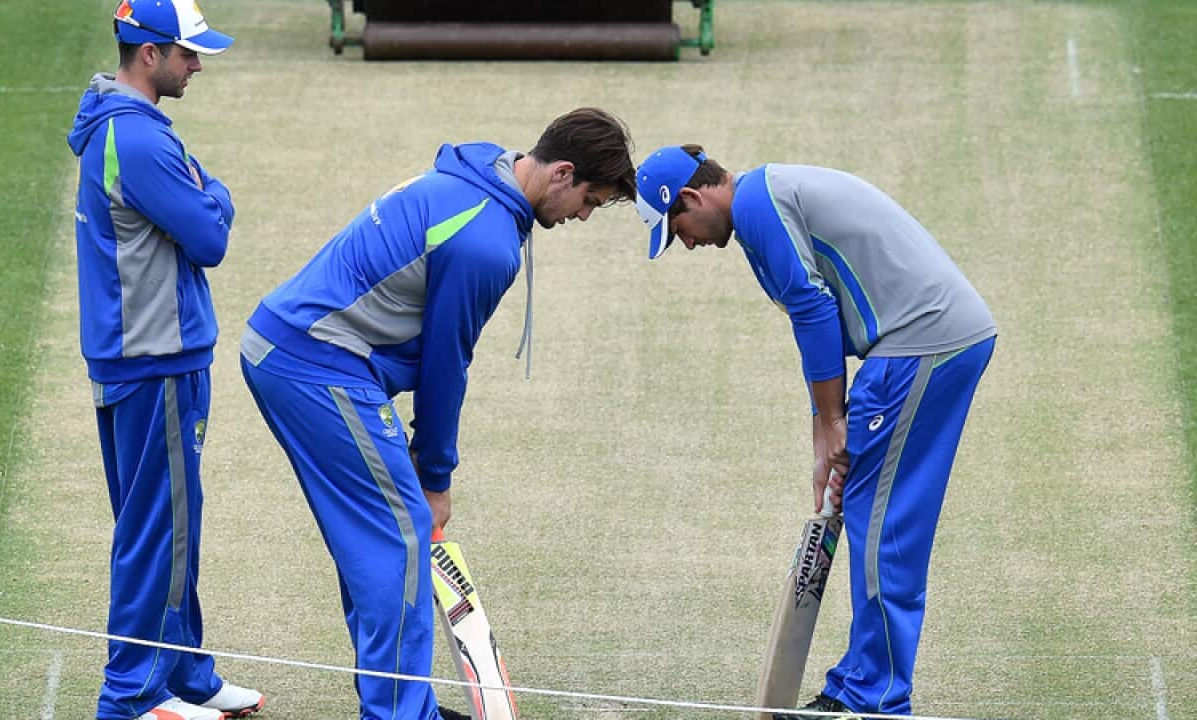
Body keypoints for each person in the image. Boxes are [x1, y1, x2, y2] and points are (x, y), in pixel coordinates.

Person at [240, 108, 636, 720]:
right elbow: (446, 367)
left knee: (378, 540)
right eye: (589, 200)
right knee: (400, 538)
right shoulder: (486, 243)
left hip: (294, 351)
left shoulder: (481, 173)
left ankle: (402, 703)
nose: (582, 216)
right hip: (315, 364)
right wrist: (435, 478)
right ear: (561, 173)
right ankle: (399, 713)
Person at [634, 146, 996, 718]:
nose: (687, 242)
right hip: (926, 341)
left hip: (918, 344)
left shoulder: (757, 206)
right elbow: (818, 312)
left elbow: (812, 306)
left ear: (691, 198)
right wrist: (821, 434)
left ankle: (874, 698)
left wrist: (832, 423)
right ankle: (860, 682)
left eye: (677, 227)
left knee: (882, 524)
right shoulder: (764, 199)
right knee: (873, 512)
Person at [67, 2, 264, 719]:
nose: (198, 65)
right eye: (188, 54)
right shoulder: (142, 143)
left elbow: (201, 210)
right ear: (148, 54)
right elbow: (210, 233)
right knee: (159, 531)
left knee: (164, 526)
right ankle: (133, 695)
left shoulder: (115, 125)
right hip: (158, 362)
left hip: (132, 357)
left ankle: (185, 676)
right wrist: (216, 194)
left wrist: (207, 194)